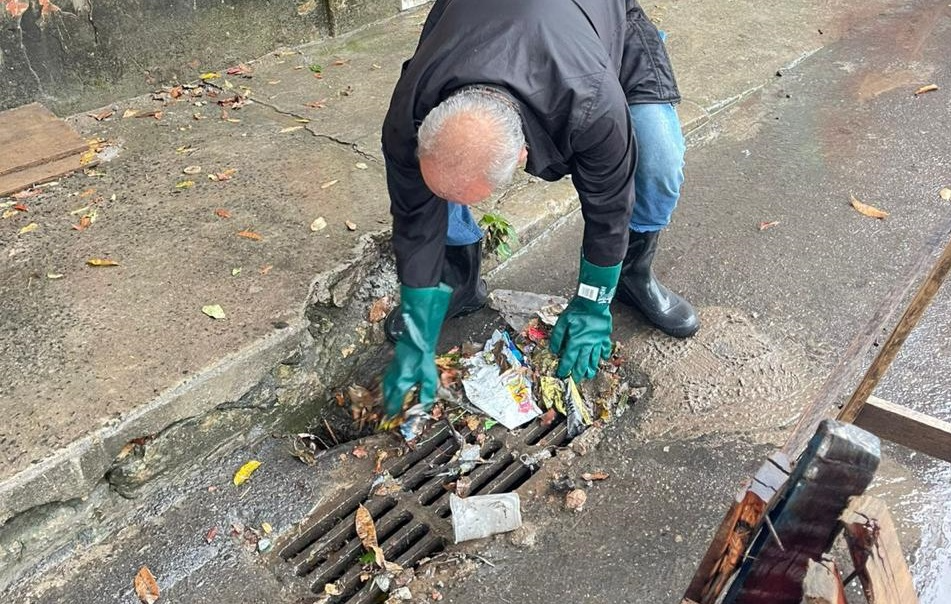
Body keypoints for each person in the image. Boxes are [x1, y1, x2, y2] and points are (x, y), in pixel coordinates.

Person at [380, 0, 699, 416]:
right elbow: (412, 216)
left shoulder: (594, 103)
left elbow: (610, 205)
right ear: (428, 124)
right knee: (437, 188)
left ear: (521, 155)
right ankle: (459, 278)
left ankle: (632, 277)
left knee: (657, 162)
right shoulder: (411, 106)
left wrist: (592, 301)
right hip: (472, 24)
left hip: (600, 25)